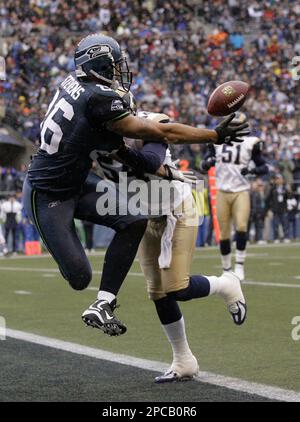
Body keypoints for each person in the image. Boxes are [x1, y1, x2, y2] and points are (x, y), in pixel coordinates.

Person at [23, 33, 249, 337]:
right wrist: (213, 135)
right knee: (79, 276)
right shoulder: (103, 103)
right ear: (101, 65)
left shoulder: (80, 88)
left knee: (133, 222)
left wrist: (159, 167)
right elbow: (152, 135)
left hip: (83, 182)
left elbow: (142, 150)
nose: (120, 74)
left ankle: (104, 302)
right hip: (47, 192)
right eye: (115, 66)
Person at [96, 103, 247, 382]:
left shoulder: (149, 123)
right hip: (146, 215)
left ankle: (226, 284)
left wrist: (115, 150)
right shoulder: (90, 139)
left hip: (176, 207)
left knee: (176, 287)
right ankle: (183, 361)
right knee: (157, 292)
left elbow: (151, 160)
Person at [200, 113, 268, 280]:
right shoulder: (216, 142)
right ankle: (226, 268)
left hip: (241, 191)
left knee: (242, 227)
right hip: (222, 192)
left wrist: (252, 170)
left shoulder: (250, 143)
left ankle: (239, 265)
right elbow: (204, 163)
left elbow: (264, 167)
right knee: (224, 234)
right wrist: (208, 163)